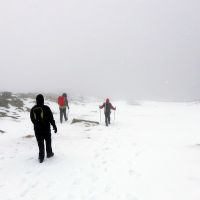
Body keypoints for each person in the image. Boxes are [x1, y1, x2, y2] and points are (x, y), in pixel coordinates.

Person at [30, 94, 57, 163]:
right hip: (46, 128)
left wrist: (37, 125)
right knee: (48, 141)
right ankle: (49, 153)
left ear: (36, 100)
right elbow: (51, 118)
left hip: (37, 129)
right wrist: (54, 126)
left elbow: (32, 119)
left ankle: (41, 157)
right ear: (43, 100)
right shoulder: (46, 108)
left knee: (40, 143)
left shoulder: (33, 109)